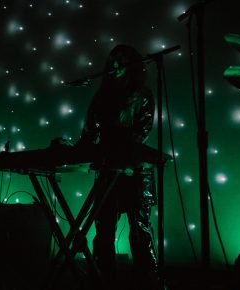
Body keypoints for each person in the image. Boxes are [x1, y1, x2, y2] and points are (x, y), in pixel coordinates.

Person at [75, 44, 158, 289]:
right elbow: (89, 133)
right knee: (104, 230)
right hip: (110, 169)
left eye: (119, 60)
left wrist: (112, 153)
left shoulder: (142, 95)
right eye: (112, 60)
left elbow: (140, 134)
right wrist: (76, 150)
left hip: (135, 171)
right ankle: (103, 281)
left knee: (140, 232)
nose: (113, 65)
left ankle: (147, 283)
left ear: (130, 65)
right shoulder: (102, 97)